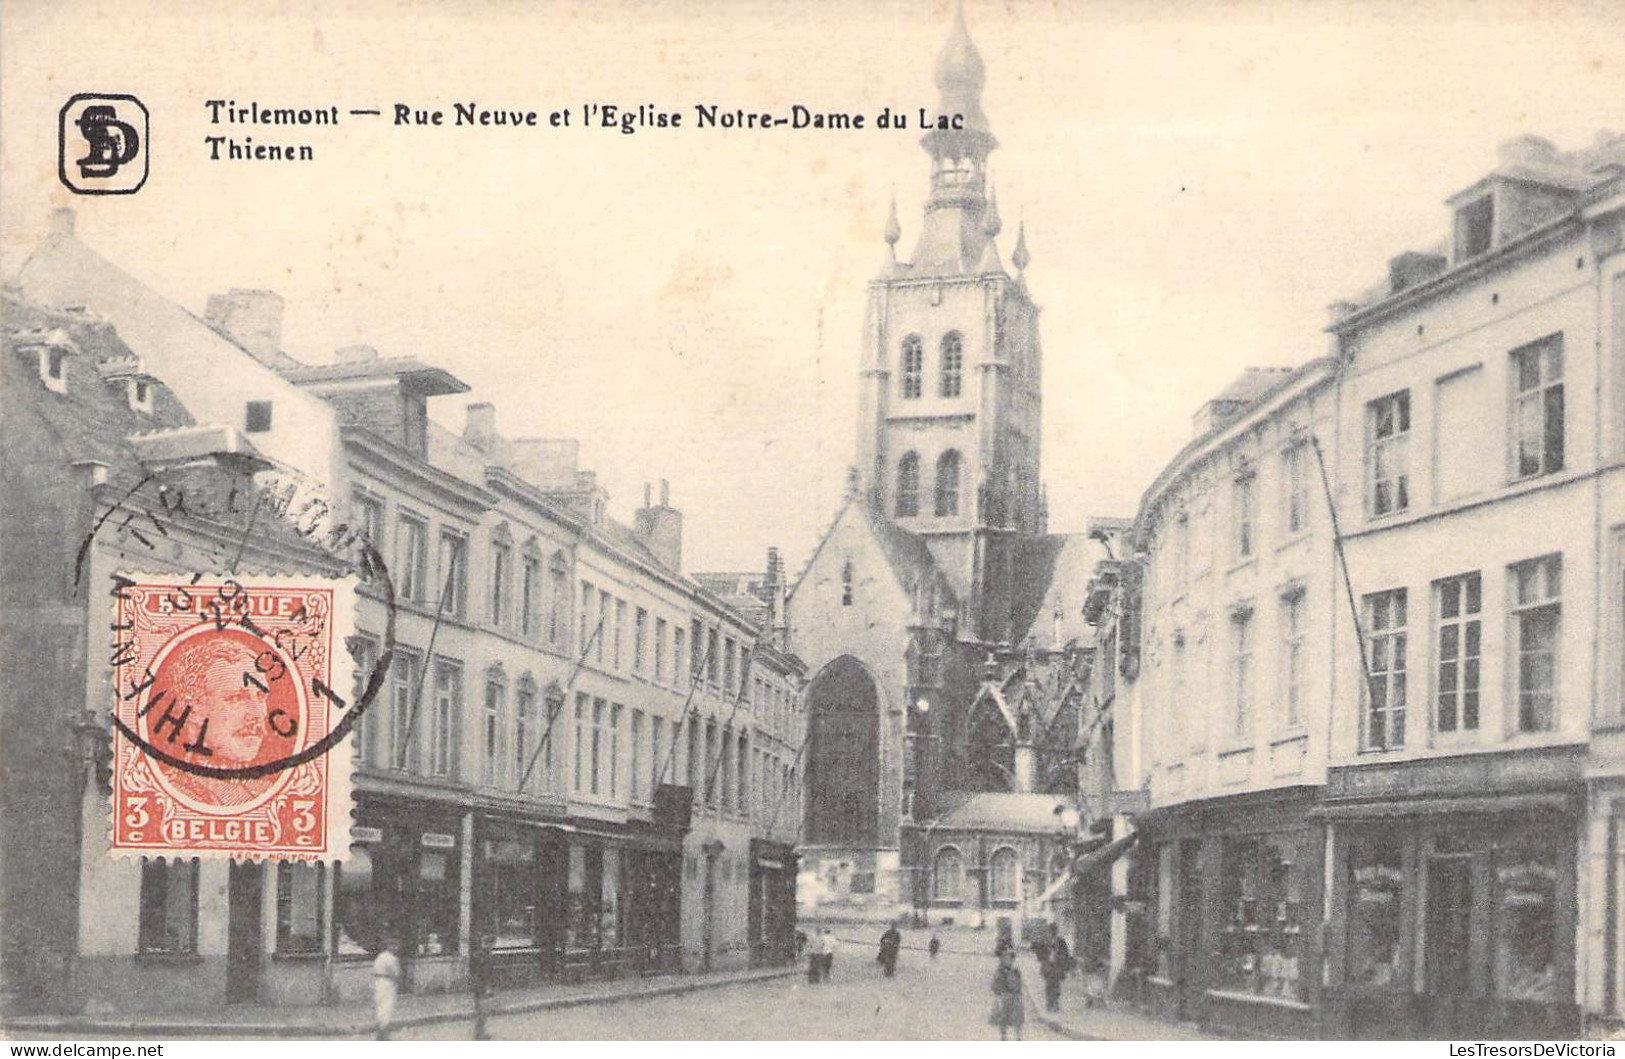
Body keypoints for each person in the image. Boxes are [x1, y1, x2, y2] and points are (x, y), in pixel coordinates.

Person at [989, 948, 1025, 1041]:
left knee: (1017, 1018)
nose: (1009, 961)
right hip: (1004, 997)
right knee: (1003, 1018)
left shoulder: (1016, 971)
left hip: (1015, 997)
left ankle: (1018, 1036)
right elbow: (994, 986)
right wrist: (998, 995)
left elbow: (1020, 984)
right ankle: (1003, 1036)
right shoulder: (1000, 972)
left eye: (1010, 959)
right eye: (1006, 959)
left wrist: (1019, 994)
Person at [1038, 922, 1074, 1013]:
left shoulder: (1061, 941)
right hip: (1048, 966)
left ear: (1056, 931)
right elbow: (1041, 955)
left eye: (1054, 930)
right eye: (1051, 930)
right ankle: (1049, 1005)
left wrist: (1064, 965)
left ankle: (1056, 1004)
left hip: (1057, 966)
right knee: (1049, 986)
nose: (1052, 932)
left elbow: (1066, 953)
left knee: (1056, 986)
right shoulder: (1046, 941)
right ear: (1049, 931)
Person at [372, 938, 403, 1040]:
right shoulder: (392, 958)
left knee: (379, 1007)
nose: (396, 948)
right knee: (387, 1008)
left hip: (378, 982)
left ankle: (379, 1034)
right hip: (387, 983)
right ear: (389, 946)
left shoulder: (380, 957)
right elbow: (396, 973)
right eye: (394, 946)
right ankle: (384, 1035)